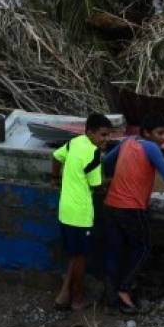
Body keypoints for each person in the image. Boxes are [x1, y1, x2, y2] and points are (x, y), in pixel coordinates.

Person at [101, 113, 164, 313]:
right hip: (131, 208)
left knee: (114, 250)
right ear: (147, 133)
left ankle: (110, 297)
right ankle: (124, 290)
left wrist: (115, 178)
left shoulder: (128, 141)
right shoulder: (151, 148)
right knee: (143, 248)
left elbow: (107, 162)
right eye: (160, 133)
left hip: (110, 204)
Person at [52, 113, 113, 311]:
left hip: (65, 210)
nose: (106, 140)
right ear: (90, 133)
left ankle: (63, 295)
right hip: (81, 215)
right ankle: (77, 300)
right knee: (81, 258)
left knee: (74, 254)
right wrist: (112, 180)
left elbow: (56, 157)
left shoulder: (74, 142)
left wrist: (55, 179)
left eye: (108, 135)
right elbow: (97, 185)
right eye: (103, 135)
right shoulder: (94, 154)